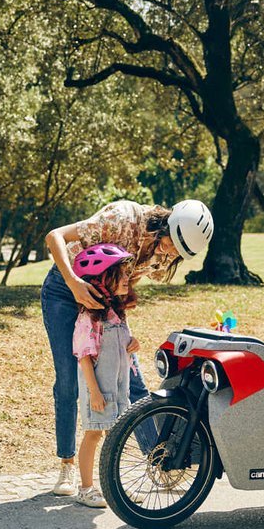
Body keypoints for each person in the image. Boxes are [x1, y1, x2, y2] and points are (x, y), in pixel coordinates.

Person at [42, 199, 214, 497]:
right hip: (65, 290)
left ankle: (158, 460)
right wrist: (73, 283)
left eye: (177, 254)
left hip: (105, 303)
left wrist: (122, 332)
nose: (169, 254)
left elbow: (123, 285)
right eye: (170, 245)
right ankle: (67, 465)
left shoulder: (164, 254)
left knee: (134, 381)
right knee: (69, 380)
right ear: (166, 225)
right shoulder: (121, 218)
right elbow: (54, 235)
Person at [69, 243, 139, 507]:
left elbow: (123, 345)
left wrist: (133, 344)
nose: (126, 280)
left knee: (116, 437)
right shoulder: (90, 316)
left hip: (119, 389)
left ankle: (115, 488)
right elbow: (84, 357)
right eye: (119, 275)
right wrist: (95, 393)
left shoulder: (117, 314)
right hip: (98, 389)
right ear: (101, 279)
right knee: (94, 434)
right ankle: (85, 488)